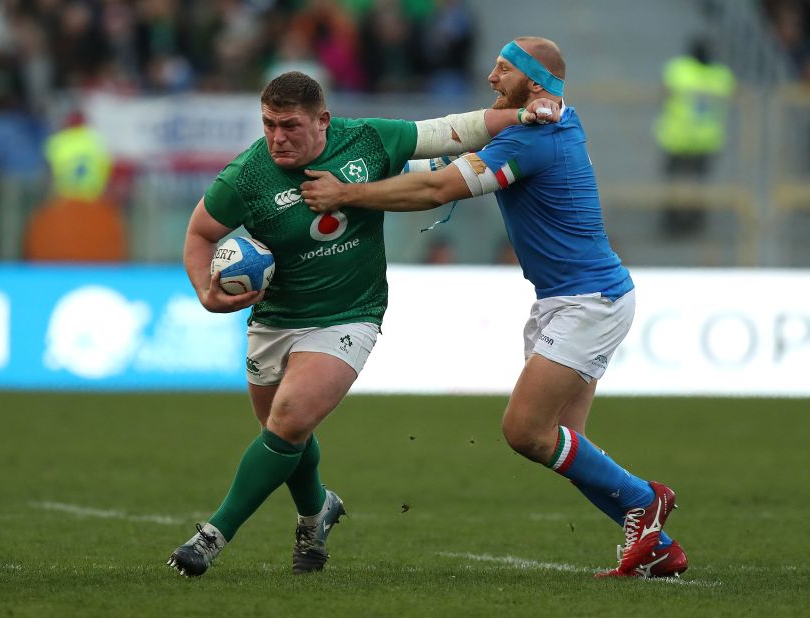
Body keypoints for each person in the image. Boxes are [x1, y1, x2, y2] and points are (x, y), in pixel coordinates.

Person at [301, 37, 688, 578]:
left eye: (502, 69)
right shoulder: (540, 123)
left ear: (532, 82)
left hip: (589, 301)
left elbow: (436, 189)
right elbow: (443, 157)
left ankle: (645, 501)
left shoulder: (534, 138)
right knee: (567, 447)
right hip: (570, 299)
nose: (490, 77)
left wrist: (345, 195)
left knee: (525, 431)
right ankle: (660, 546)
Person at [167, 70, 559, 577]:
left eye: (289, 125)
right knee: (284, 433)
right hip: (275, 319)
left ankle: (211, 537)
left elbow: (455, 129)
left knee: (287, 421)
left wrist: (526, 114)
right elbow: (200, 233)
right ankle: (316, 512)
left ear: (323, 121)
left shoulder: (367, 141)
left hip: (351, 313)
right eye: (268, 125)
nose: (277, 137)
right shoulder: (246, 176)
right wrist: (206, 292)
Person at [654, 37, 735, 237]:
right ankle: (691, 222)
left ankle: (675, 222)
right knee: (696, 183)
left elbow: (665, 92)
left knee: (678, 183)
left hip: (678, 137)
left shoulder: (679, 71)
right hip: (703, 139)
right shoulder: (721, 76)